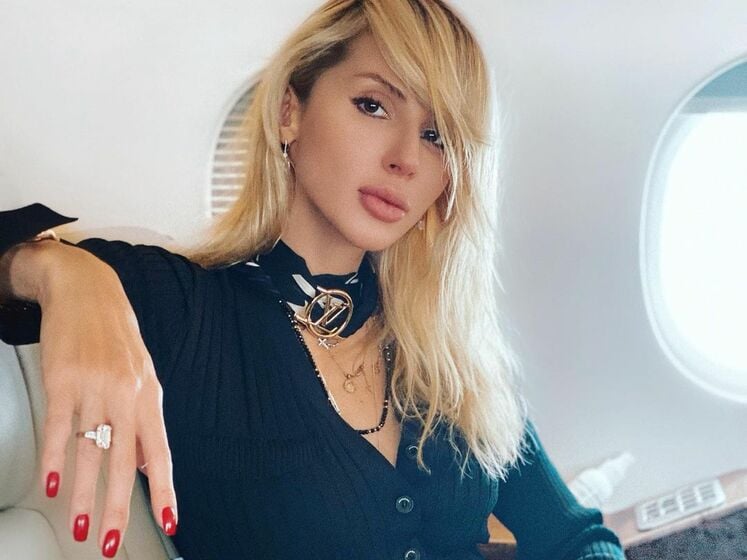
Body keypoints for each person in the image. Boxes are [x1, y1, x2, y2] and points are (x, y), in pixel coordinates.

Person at [0, 1, 626, 558]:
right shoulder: (185, 306)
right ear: (288, 113)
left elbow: (575, 537)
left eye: (436, 136)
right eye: (374, 105)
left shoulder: (449, 350)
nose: (406, 159)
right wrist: (61, 271)